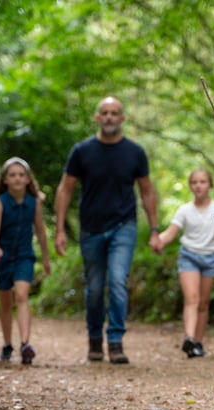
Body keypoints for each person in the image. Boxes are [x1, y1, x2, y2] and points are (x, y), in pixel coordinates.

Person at [54, 96, 161, 364]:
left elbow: (147, 191)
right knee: (94, 288)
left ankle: (115, 341)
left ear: (122, 118)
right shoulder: (82, 151)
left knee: (117, 281)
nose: (110, 117)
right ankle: (94, 338)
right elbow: (65, 189)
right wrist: (59, 229)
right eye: (105, 112)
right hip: (91, 229)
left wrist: (155, 230)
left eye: (114, 113)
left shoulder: (134, 152)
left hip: (123, 226)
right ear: (97, 117)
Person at [0, 157, 51, 365]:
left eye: (21, 175)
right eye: (12, 175)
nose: (17, 178)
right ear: (5, 180)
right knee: (5, 301)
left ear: (28, 179)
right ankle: (7, 344)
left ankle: (25, 344)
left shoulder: (34, 202)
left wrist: (46, 258)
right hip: (2, 257)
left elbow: (40, 231)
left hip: (24, 256)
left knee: (22, 296)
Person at [156, 168, 214, 358]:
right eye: (194, 182)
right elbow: (170, 233)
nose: (198, 186)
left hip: (211, 258)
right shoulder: (184, 210)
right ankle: (189, 338)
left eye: (202, 182)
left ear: (210, 185)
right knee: (192, 298)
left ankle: (198, 344)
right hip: (189, 257)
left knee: (203, 303)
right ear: (190, 186)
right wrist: (157, 241)